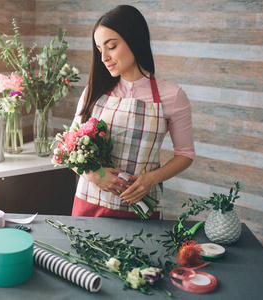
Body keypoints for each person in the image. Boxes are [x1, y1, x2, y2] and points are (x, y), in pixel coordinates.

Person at [71, 5, 195, 219]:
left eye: (111, 46)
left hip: (140, 208)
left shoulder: (173, 95)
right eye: (100, 49)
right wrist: (93, 174)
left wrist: (152, 178)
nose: (104, 58)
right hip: (89, 204)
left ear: (134, 39)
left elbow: (185, 154)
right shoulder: (95, 91)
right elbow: (67, 149)